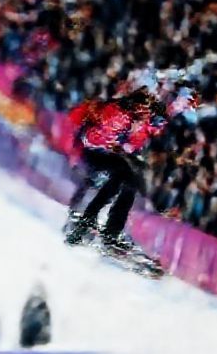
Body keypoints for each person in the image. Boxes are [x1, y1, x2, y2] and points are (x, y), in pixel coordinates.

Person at [64, 87, 168, 253]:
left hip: (103, 152)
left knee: (125, 181)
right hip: (92, 151)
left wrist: (129, 141)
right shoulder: (119, 114)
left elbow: (130, 146)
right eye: (154, 122)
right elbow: (96, 136)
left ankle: (98, 226)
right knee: (124, 177)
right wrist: (123, 137)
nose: (154, 127)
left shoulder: (138, 125)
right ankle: (98, 225)